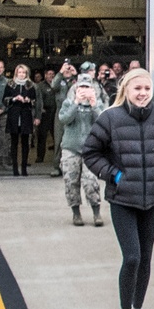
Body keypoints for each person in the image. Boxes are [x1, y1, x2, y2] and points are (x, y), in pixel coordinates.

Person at [82, 68, 154, 309]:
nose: (142, 94)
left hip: (151, 200)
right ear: (126, 89)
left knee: (146, 259)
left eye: (147, 89)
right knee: (133, 257)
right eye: (137, 89)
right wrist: (115, 175)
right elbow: (91, 152)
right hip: (123, 199)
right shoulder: (110, 118)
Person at [59, 73, 107, 226]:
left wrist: (93, 105)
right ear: (76, 88)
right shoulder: (68, 102)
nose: (84, 90)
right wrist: (76, 103)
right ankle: (76, 213)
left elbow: (104, 121)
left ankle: (96, 212)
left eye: (87, 87)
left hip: (90, 149)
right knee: (71, 181)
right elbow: (64, 119)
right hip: (71, 148)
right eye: (81, 87)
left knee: (91, 182)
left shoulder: (97, 103)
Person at [3, 64, 42, 176]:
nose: (21, 74)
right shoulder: (10, 84)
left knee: (25, 143)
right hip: (14, 115)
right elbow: (4, 100)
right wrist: (14, 99)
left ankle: (24, 167)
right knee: (14, 142)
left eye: (23, 73)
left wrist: (28, 100)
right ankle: (15, 168)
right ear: (16, 73)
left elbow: (35, 101)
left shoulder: (31, 85)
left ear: (26, 74)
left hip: (25, 115)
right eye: (19, 72)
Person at [49, 60, 78, 177]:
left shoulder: (75, 81)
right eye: (66, 69)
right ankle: (56, 166)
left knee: (73, 140)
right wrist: (60, 73)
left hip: (74, 112)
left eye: (69, 69)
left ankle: (73, 166)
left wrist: (75, 75)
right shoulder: (59, 81)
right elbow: (53, 86)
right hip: (60, 112)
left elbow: (83, 87)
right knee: (58, 140)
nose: (67, 71)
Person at [34, 67, 56, 164]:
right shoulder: (40, 86)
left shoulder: (57, 84)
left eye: (53, 74)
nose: (51, 76)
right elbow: (38, 99)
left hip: (55, 113)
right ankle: (40, 157)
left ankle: (57, 158)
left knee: (57, 136)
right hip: (45, 113)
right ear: (45, 75)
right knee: (42, 136)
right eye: (49, 74)